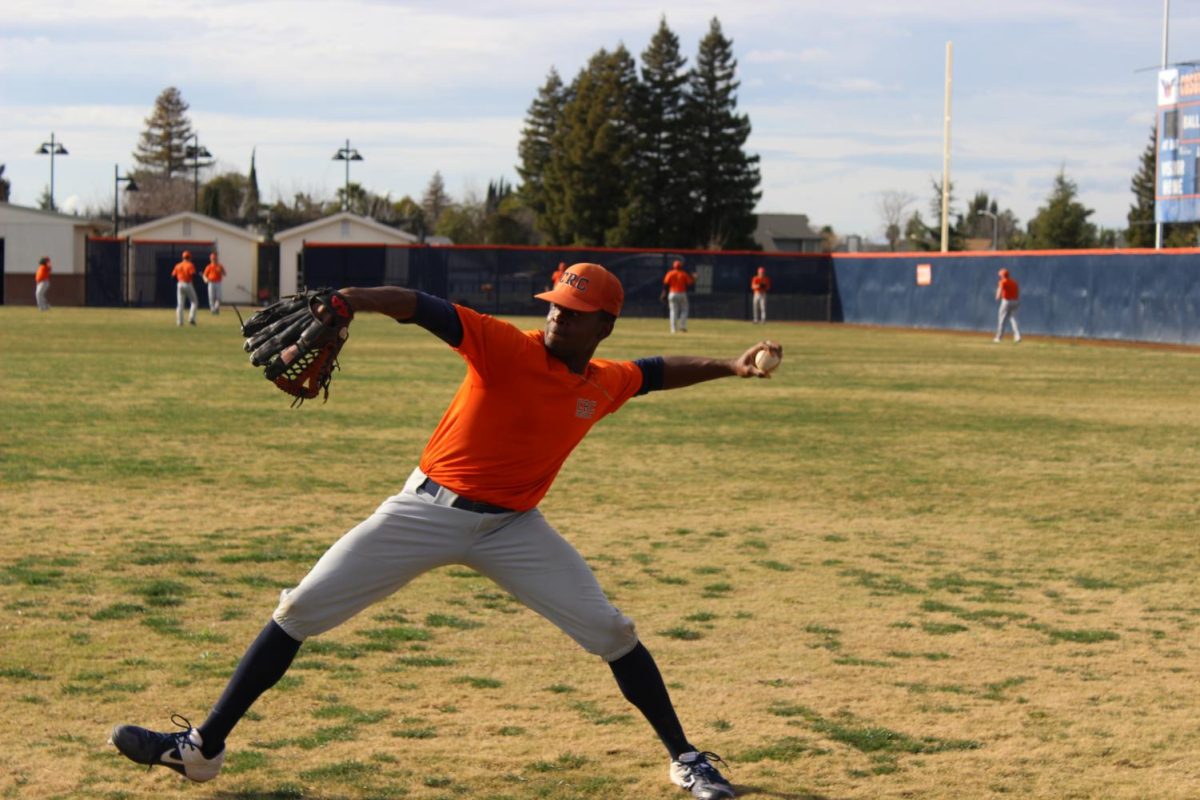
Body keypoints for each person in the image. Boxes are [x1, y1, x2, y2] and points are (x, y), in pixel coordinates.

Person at [110, 262, 781, 800]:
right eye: (552, 304)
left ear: (604, 325)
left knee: (613, 632)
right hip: (426, 512)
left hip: (514, 528)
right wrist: (349, 299)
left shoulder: (602, 382)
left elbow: (656, 374)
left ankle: (686, 760)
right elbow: (415, 302)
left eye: (572, 313)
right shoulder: (504, 348)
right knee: (300, 608)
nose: (555, 316)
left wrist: (733, 364)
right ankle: (201, 750)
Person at [660, 260, 695, 333]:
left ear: (673, 266)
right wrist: (694, 278)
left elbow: (665, 284)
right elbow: (690, 283)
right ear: (681, 266)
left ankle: (673, 330)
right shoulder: (683, 274)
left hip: (672, 293)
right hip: (682, 293)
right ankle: (682, 326)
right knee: (684, 310)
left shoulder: (670, 273)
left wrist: (663, 293)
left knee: (673, 311)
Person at [994, 267, 1021, 343]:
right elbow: (1017, 292)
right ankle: (1017, 336)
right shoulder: (1014, 282)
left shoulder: (1003, 282)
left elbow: (999, 292)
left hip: (1006, 301)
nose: (1000, 276)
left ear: (1003, 275)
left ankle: (998, 337)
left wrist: (997, 297)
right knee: (1014, 319)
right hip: (1015, 301)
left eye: (1000, 275)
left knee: (1002, 319)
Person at [172, 251, 199, 326]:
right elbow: (193, 274)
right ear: (189, 257)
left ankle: (179, 322)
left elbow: (173, 277)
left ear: (182, 257)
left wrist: (178, 282)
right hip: (187, 283)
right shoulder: (190, 265)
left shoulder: (178, 265)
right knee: (194, 302)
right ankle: (191, 319)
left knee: (180, 304)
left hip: (179, 283)